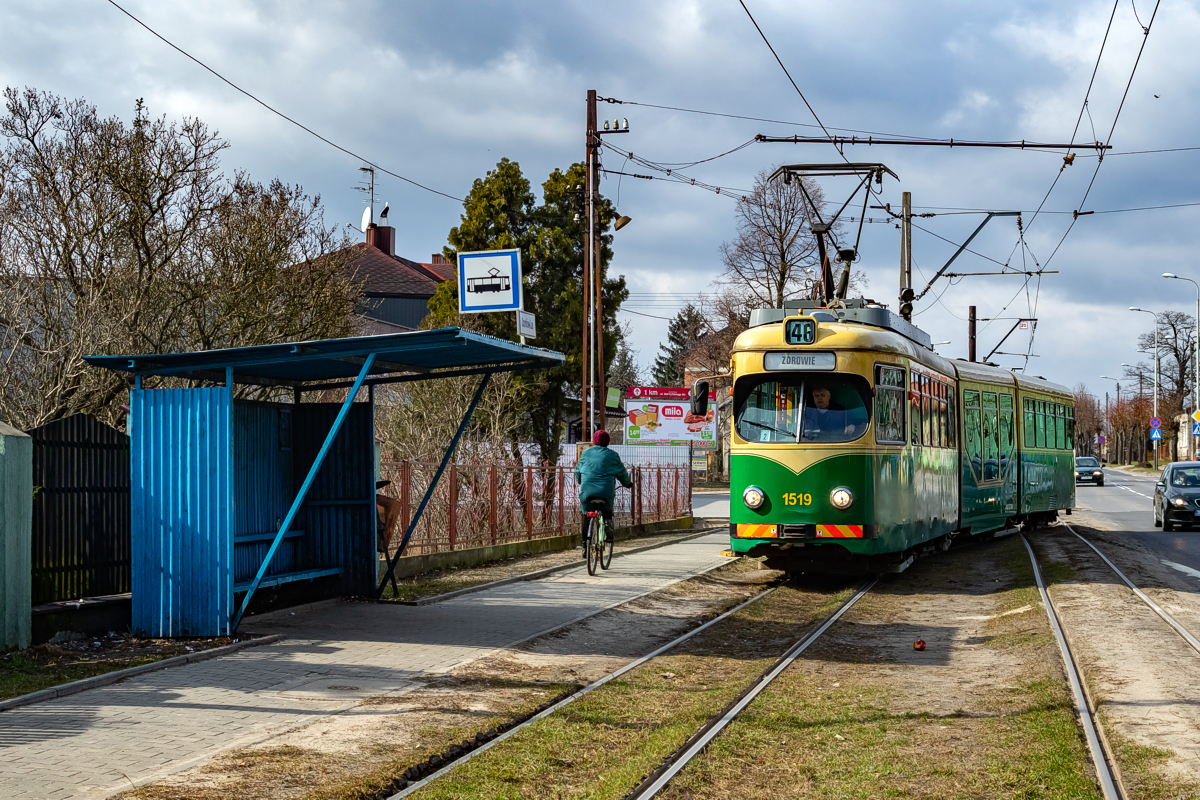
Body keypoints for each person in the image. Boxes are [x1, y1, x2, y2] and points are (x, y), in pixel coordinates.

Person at [575, 429, 632, 550]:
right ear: (608, 442)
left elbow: (578, 470)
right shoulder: (613, 455)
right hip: (605, 491)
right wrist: (627, 484)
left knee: (587, 516)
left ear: (594, 441)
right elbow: (622, 473)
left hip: (587, 491)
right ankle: (608, 526)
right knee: (607, 512)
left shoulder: (585, 453)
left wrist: (580, 480)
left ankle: (585, 546)